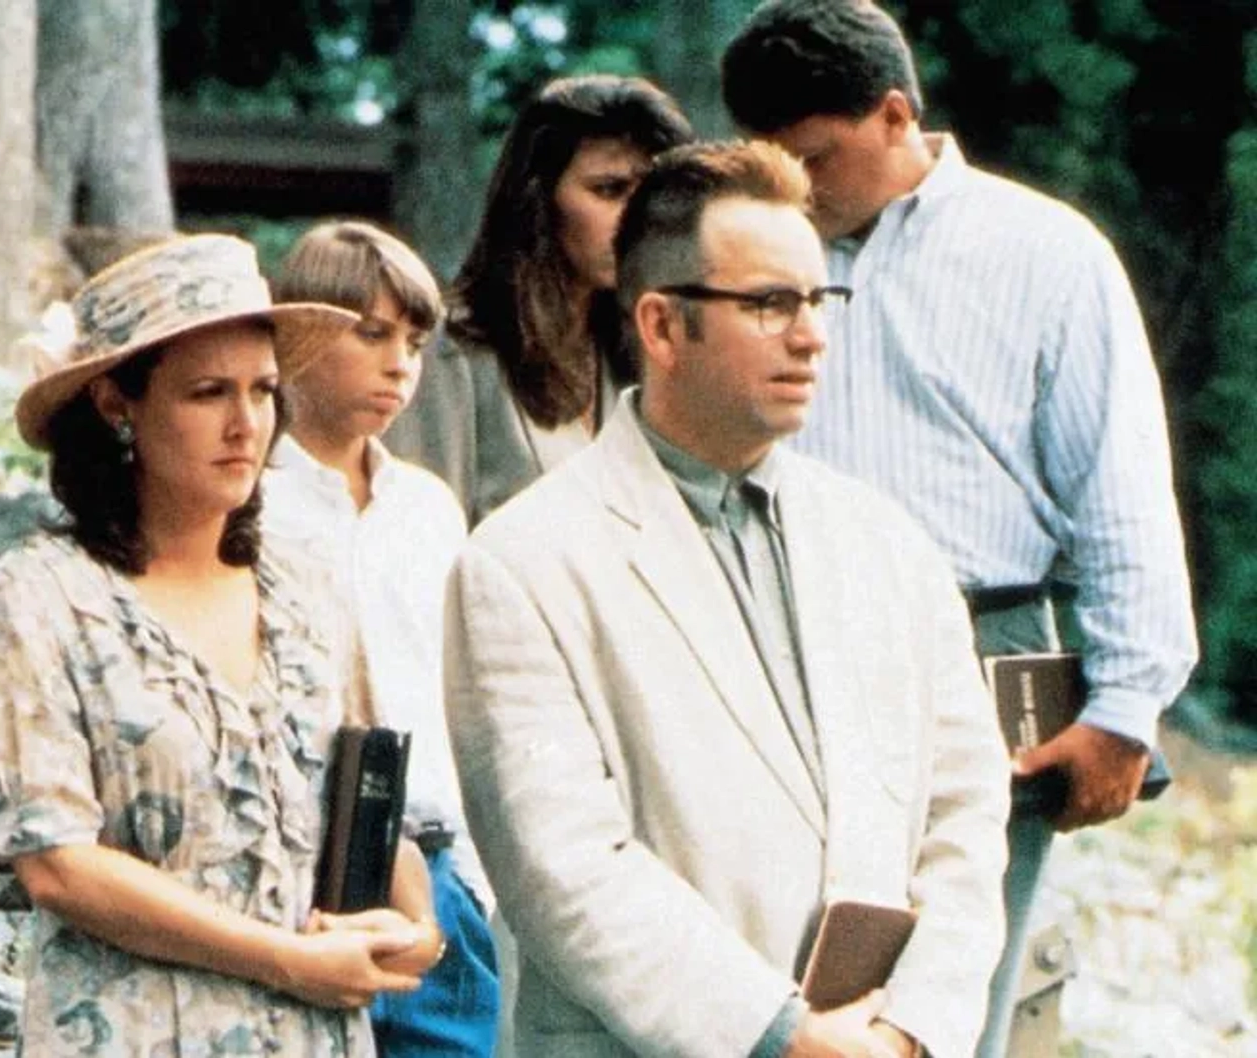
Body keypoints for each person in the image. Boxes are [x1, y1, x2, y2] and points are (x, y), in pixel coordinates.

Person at [445, 140, 1012, 1057]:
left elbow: (965, 811)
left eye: (820, 297)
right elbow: (563, 868)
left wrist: (912, 1028)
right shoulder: (521, 564)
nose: (812, 332)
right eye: (769, 303)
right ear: (662, 327)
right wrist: (782, 1033)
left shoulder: (890, 545)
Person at [720, 3, 1198, 1053]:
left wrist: (1126, 705)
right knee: (778, 983)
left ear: (896, 115)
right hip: (776, 643)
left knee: (948, 989)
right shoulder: (747, 257)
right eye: (776, 165)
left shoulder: (1045, 253)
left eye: (817, 157)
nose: (800, 189)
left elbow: (1119, 486)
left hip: (988, 649)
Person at [0, 233, 443, 1056]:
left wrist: (418, 930)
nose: (244, 424)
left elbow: (370, 794)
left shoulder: (303, 580)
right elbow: (56, 865)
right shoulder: (43, 591)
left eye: (263, 391)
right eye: (206, 393)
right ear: (120, 403)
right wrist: (285, 960)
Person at [261, 220, 499, 1056]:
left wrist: (472, 883)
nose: (399, 361)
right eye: (371, 334)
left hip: (439, 874)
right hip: (301, 878)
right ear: (298, 338)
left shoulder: (428, 509)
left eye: (414, 340)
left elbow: (462, 696)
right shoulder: (251, 502)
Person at [385, 74, 694, 525]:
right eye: (609, 190)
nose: (635, 217)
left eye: (648, 193)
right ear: (538, 200)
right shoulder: (450, 350)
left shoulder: (636, 356)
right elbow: (419, 543)